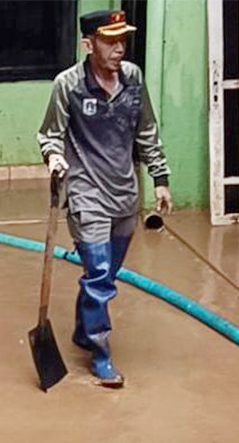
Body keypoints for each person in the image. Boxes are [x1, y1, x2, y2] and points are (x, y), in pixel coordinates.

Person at [37, 9, 173, 389]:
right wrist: (55, 156)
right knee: (98, 273)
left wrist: (160, 178)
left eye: (122, 40)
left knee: (107, 275)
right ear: (88, 44)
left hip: (124, 193)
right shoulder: (69, 85)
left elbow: (147, 131)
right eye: (110, 40)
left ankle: (83, 329)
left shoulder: (133, 79)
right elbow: (49, 134)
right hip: (85, 194)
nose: (118, 48)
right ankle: (99, 351)